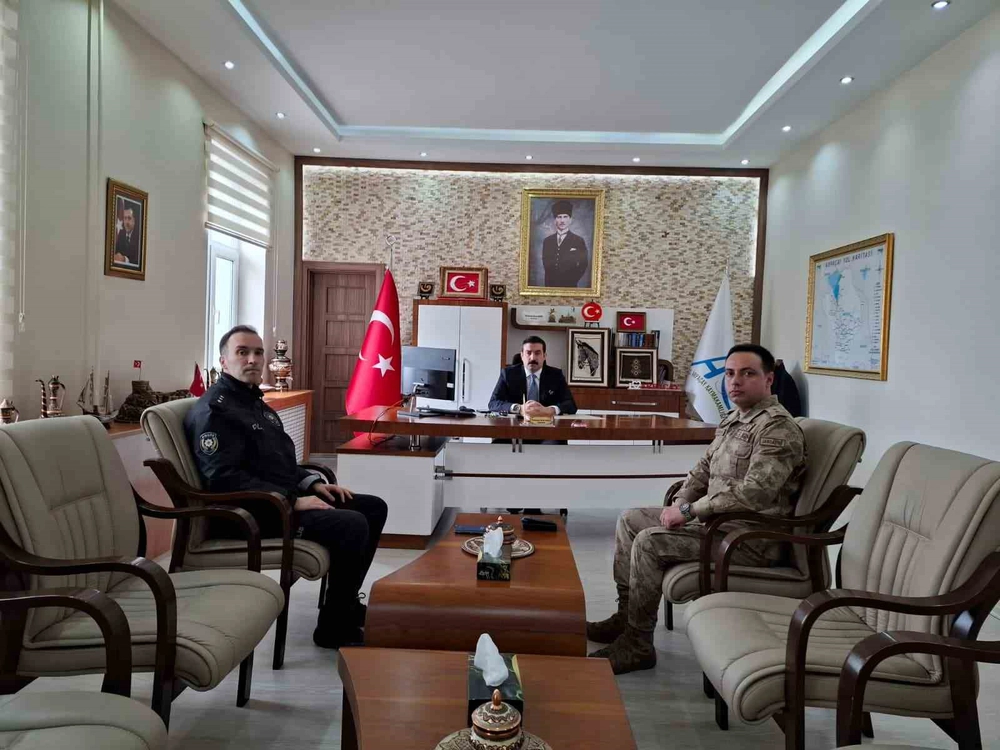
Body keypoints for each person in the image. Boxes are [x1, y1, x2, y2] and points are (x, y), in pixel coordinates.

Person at [587, 344, 806, 674]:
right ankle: (625, 617)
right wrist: (681, 501)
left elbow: (754, 494)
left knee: (649, 541)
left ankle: (638, 644)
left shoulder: (777, 429)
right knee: (631, 519)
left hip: (748, 540)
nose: (735, 381)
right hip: (717, 524)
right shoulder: (735, 419)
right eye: (729, 373)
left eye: (747, 373)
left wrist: (690, 512)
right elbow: (703, 470)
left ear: (769, 379)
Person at [185, 324, 388, 649]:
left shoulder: (254, 403)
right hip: (248, 514)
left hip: (275, 501)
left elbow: (276, 463)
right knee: (351, 524)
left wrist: (311, 484)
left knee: (373, 507)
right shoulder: (217, 411)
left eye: (258, 352)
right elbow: (223, 479)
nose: (253, 359)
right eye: (242, 352)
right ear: (223, 361)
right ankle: (334, 627)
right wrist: (292, 501)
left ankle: (345, 605)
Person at [489, 335, 577, 514]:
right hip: (515, 433)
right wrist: (519, 408)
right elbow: (494, 403)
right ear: (522, 355)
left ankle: (533, 504)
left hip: (547, 433)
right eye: (528, 353)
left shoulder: (555, 375)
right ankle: (514, 498)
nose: (532, 357)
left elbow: (571, 405)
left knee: (548, 453)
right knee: (505, 451)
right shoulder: (508, 374)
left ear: (545, 356)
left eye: (537, 353)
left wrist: (549, 410)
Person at [541, 200, 589, 288]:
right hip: (550, 287)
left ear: (570, 220)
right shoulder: (547, 241)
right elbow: (546, 264)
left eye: (565, 217)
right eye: (559, 217)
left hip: (570, 286)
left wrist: (572, 279)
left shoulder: (578, 240)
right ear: (555, 220)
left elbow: (584, 263)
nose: (562, 220)